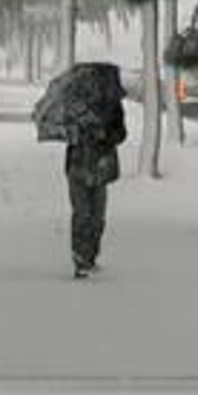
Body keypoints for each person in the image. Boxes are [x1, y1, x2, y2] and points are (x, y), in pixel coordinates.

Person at [64, 109, 126, 278]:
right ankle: (80, 259)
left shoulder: (111, 106)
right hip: (77, 166)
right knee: (81, 214)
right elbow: (64, 131)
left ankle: (90, 255)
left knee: (97, 217)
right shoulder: (72, 104)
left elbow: (121, 133)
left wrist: (105, 135)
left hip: (100, 167)